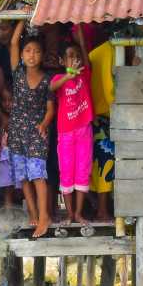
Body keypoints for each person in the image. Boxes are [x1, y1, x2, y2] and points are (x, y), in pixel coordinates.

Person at [5, 27, 55, 236]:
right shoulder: (17, 72)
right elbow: (14, 42)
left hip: (36, 132)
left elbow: (51, 109)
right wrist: (21, 20)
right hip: (17, 130)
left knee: (37, 175)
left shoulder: (47, 79)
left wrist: (44, 124)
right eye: (28, 51)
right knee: (23, 176)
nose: (31, 55)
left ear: (42, 55)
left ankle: (44, 217)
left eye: (36, 51)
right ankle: (33, 213)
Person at [50, 42, 94, 226]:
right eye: (69, 56)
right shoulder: (59, 78)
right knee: (67, 173)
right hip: (66, 133)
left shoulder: (84, 75)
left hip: (84, 130)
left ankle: (77, 214)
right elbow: (52, 88)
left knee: (83, 172)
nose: (74, 59)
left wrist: (80, 37)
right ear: (61, 60)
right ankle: (69, 214)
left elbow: (87, 61)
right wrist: (68, 75)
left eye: (76, 55)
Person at [84, 32, 118, 221]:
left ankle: (99, 207)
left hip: (94, 117)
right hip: (103, 117)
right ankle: (102, 211)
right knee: (105, 163)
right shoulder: (109, 51)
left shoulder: (101, 51)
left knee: (98, 165)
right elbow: (109, 91)